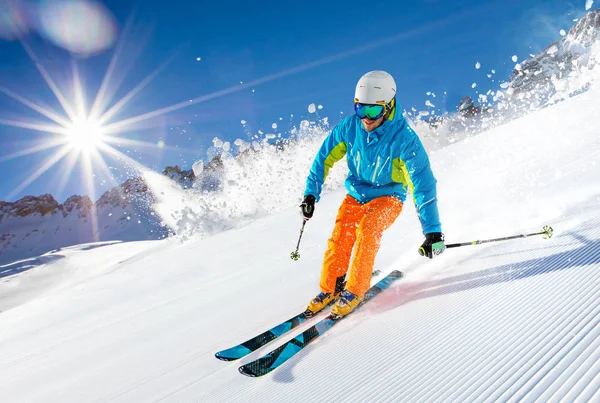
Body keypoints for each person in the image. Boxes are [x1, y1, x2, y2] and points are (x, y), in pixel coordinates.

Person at [300, 70, 445, 318]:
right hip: (357, 192)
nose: (366, 118)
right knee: (341, 235)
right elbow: (323, 158)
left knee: (367, 231)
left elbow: (422, 182)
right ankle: (332, 286)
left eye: (374, 111)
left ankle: (355, 290)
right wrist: (310, 194)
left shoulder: (405, 139)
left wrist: (432, 231)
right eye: (361, 109)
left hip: (389, 196)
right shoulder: (349, 128)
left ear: (388, 107)